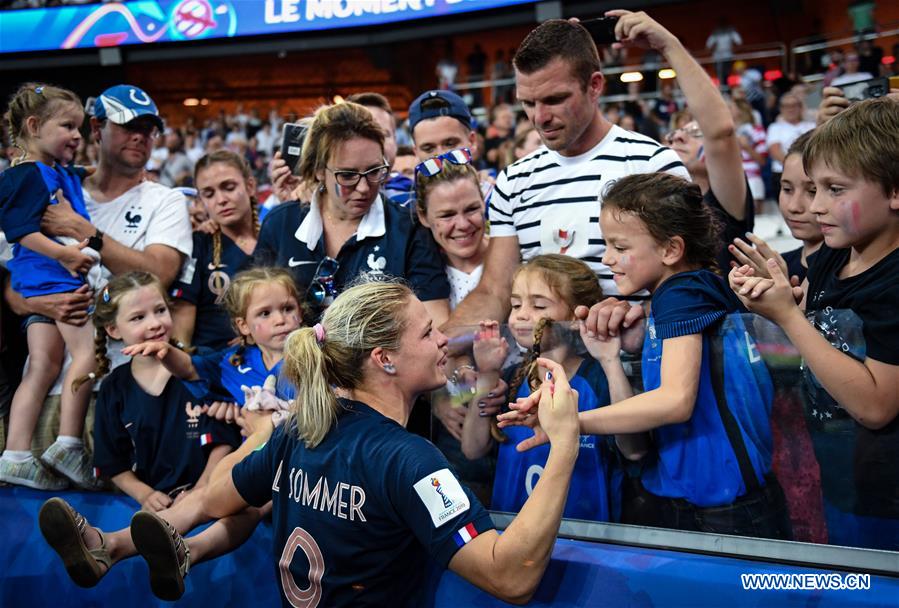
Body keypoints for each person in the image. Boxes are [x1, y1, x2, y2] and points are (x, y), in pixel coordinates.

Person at [184, 279, 583, 606]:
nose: (444, 339)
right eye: (428, 332)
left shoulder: (299, 430)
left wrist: (257, 437)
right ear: (385, 359)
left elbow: (217, 502)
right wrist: (564, 442)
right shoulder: (409, 460)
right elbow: (509, 576)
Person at [502, 173, 790, 539]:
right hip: (716, 498)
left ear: (671, 250)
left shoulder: (681, 294)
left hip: (722, 510)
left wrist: (569, 422)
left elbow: (675, 401)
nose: (607, 259)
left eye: (620, 248)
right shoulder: (690, 291)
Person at [730, 97, 899, 549]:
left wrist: (789, 317)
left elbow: (877, 405)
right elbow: (828, 347)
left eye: (834, 189)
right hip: (844, 482)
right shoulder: (832, 257)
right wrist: (780, 301)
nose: (816, 206)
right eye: (810, 187)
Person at [448, 17, 688, 328]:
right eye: (528, 103)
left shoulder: (653, 165)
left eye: (554, 99)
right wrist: (433, 347)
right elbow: (495, 292)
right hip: (544, 371)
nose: (540, 117)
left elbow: (690, 284)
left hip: (639, 369)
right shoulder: (514, 181)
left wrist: (640, 315)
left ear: (595, 86)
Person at [462, 255, 646, 521]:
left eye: (538, 305)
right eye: (515, 304)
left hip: (588, 540)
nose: (522, 314)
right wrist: (487, 374)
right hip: (514, 533)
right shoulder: (511, 379)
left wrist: (610, 360)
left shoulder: (598, 379)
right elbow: (472, 449)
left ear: (574, 315)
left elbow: (635, 449)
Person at [254, 101, 450, 325]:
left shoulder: (409, 229)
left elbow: (436, 324)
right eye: (347, 175)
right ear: (319, 170)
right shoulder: (280, 223)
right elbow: (254, 312)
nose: (364, 187)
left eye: (375, 171)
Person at [0, 83, 99, 490]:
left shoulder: (49, 170)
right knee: (88, 354)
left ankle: (16, 454)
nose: (77, 135)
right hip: (51, 276)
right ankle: (68, 444)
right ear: (35, 125)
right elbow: (21, 231)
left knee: (42, 364)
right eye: (67, 126)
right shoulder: (26, 175)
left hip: (38, 282)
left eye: (79, 127)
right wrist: (67, 256)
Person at [620, 10, 753, 273]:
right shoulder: (656, 211)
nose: (678, 136)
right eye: (675, 132)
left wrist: (668, 45)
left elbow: (720, 132)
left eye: (694, 132)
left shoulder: (724, 203)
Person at [141, 267, 302, 417]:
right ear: (243, 325)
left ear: (300, 313)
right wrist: (166, 352)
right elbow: (190, 369)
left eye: (288, 309)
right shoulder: (234, 362)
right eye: (265, 313)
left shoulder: (317, 358)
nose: (280, 320)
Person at [171, 150, 259, 351]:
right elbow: (182, 320)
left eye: (228, 187)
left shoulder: (274, 234)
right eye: (209, 194)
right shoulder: (197, 244)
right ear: (201, 200)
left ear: (250, 186)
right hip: (213, 366)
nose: (221, 200)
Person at [766, 93, 814, 197]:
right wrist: (794, 168)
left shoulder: (811, 126)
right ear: (781, 109)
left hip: (810, 173)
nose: (790, 109)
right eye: (786, 106)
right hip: (781, 173)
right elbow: (774, 150)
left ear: (800, 107)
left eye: (794, 105)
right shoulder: (775, 127)